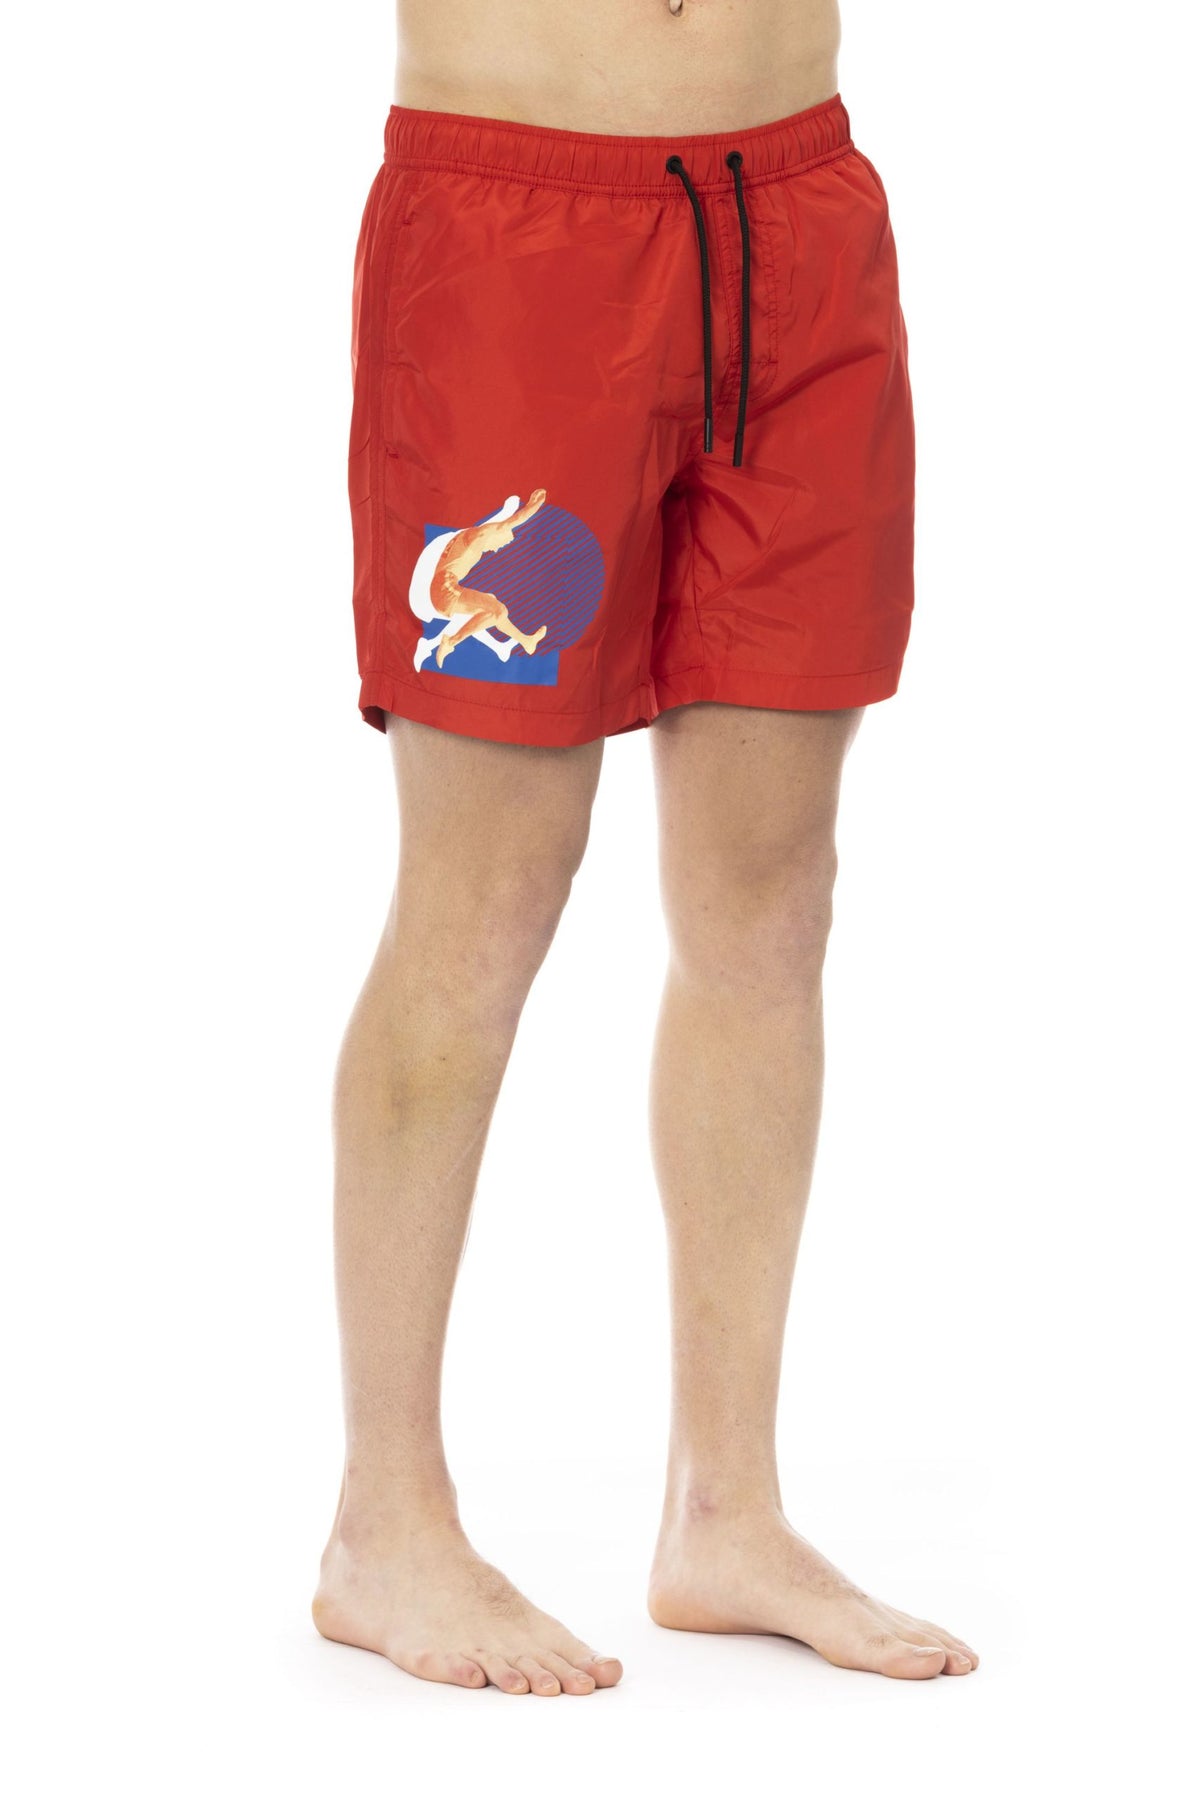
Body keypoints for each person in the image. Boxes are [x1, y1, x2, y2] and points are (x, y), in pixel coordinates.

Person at [313, 0, 979, 1695]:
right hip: (515, 234)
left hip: (798, 220)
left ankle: (725, 1514)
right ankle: (384, 1525)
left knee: (771, 900)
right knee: (484, 902)